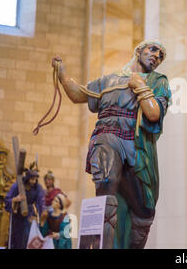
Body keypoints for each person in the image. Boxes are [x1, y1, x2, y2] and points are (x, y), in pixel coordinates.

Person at [53, 40, 171, 248]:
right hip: (107, 136)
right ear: (139, 50)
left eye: (161, 55)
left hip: (136, 146)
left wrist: (141, 87)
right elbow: (78, 94)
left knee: (145, 208)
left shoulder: (158, 81)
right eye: (153, 49)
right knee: (106, 184)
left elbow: (153, 113)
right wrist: (62, 74)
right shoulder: (109, 80)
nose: (156, 56)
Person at [5, 165, 47, 249]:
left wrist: (42, 211)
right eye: (32, 179)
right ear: (27, 178)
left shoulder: (37, 187)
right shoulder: (17, 185)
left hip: (29, 215)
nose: (34, 181)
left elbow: (40, 200)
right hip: (17, 216)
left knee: (28, 237)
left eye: (35, 179)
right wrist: (15, 199)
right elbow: (7, 200)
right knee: (16, 238)